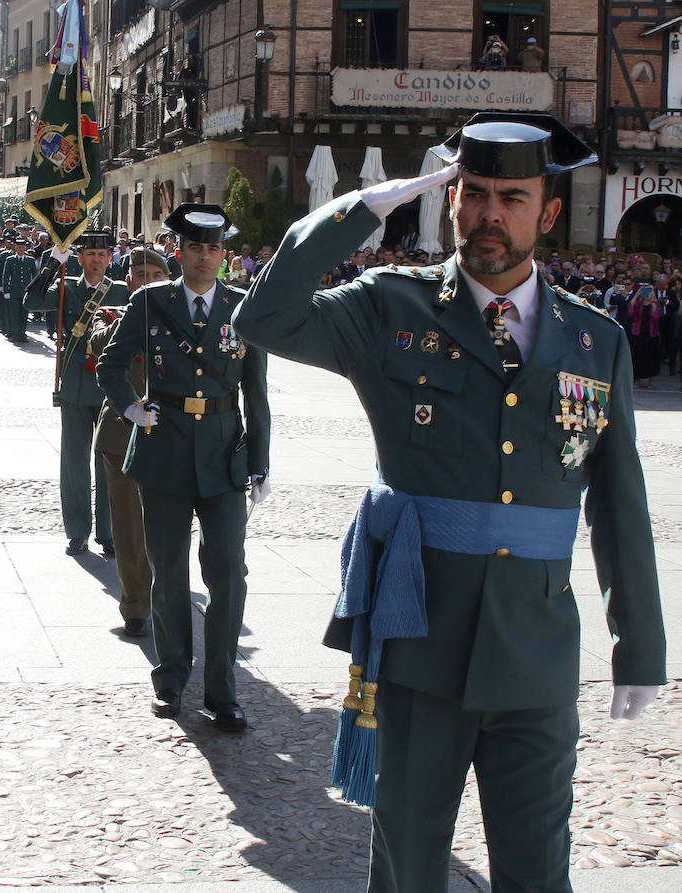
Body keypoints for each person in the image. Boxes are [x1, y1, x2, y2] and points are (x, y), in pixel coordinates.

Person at [233, 112, 664, 892]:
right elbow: (262, 316)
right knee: (408, 865)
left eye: (512, 197)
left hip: (535, 652)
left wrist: (640, 644)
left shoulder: (597, 341)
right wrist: (364, 209)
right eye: (473, 193)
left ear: (549, 212)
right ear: (450, 198)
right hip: (419, 642)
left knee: (537, 869)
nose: (488, 214)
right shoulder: (390, 309)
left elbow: (620, 501)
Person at [96, 203, 271, 730]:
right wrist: (131, 406)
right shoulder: (152, 302)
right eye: (195, 247)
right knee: (168, 571)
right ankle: (171, 679)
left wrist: (260, 463)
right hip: (164, 446)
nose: (205, 257)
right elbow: (109, 364)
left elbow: (256, 395)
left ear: (225, 255)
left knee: (229, 575)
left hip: (222, 454)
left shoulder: (244, 308)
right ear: (180, 252)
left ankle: (222, 691)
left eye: (214, 248)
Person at [26, 229, 127, 555]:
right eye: (90, 255)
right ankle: (78, 530)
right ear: (79, 258)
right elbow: (31, 301)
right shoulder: (66, 287)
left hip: (111, 388)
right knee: (74, 463)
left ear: (110, 258)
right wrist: (54, 262)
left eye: (102, 255)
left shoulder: (123, 292)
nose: (96, 260)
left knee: (109, 461)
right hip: (74, 385)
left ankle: (109, 533)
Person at [88, 246, 172, 636]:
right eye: (141, 276)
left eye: (156, 276)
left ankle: (166, 594)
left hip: (175, 436)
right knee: (128, 526)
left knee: (167, 526)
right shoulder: (115, 316)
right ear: (129, 282)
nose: (149, 283)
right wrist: (135, 320)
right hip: (124, 434)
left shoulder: (185, 319)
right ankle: (136, 605)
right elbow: (97, 346)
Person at [1, 236, 37, 343]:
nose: (20, 249)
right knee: (14, 314)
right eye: (18, 247)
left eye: (22, 247)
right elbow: (5, 275)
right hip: (14, 290)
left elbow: (34, 276)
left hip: (25, 291)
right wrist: (6, 290)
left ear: (25, 248)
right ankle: (15, 333)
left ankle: (22, 333)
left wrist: (33, 290)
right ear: (15, 247)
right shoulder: (10, 260)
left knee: (24, 314)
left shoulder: (30, 260)